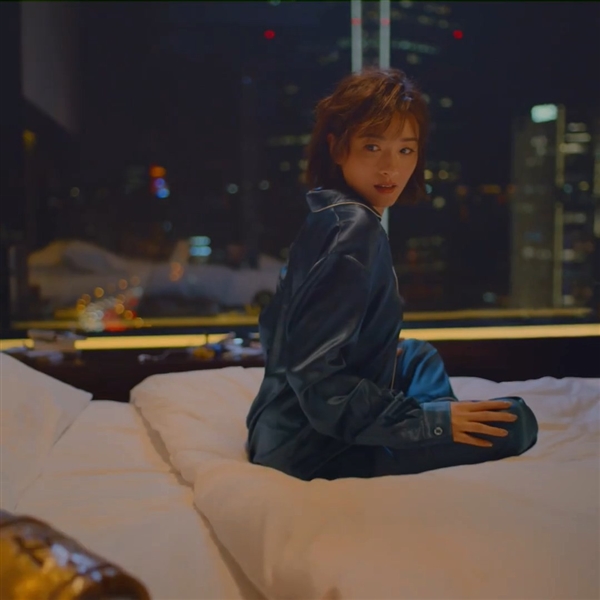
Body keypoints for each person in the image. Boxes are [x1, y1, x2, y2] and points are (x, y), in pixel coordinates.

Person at [245, 68, 538, 481]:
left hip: (275, 428)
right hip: (315, 450)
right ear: (337, 148)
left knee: (416, 355)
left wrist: (370, 352)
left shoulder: (328, 215)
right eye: (372, 146)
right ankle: (430, 421)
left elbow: (280, 330)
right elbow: (318, 379)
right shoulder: (354, 233)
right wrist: (433, 424)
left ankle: (428, 418)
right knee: (517, 423)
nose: (391, 168)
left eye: (405, 150)